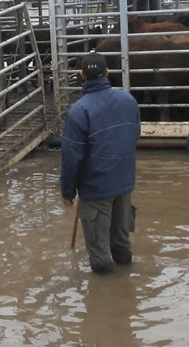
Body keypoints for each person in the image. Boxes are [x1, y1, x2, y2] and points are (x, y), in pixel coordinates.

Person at [60, 52, 141, 274]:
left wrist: (68, 192)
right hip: (124, 184)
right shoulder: (128, 101)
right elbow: (135, 136)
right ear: (107, 72)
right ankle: (128, 294)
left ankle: (105, 301)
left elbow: (70, 157)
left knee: (99, 255)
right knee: (121, 244)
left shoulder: (79, 111)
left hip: (95, 189)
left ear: (81, 75)